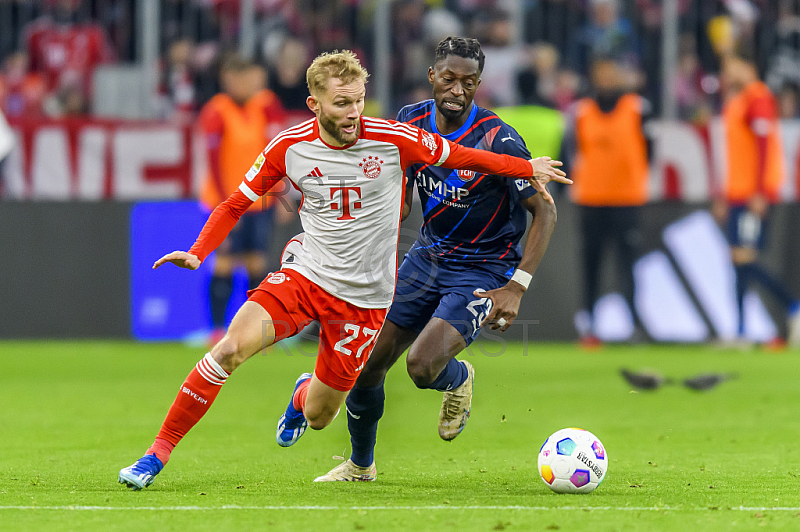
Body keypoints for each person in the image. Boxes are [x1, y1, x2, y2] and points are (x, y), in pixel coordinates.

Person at [118, 49, 570, 490]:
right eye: (342, 103)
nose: (354, 112)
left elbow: (463, 157)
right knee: (230, 349)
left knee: (321, 416)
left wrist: (526, 166)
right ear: (315, 104)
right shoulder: (288, 147)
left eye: (358, 100)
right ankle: (155, 454)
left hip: (366, 300)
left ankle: (303, 396)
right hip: (306, 275)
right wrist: (198, 252)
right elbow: (236, 202)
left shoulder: (394, 138)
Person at [315, 37, 560, 482]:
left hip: (484, 268)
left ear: (479, 84)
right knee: (367, 363)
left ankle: (457, 378)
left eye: (469, 82)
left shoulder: (497, 137)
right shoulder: (410, 122)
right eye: (449, 78)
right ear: (433, 76)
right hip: (429, 257)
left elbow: (545, 209)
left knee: (421, 367)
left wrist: (517, 285)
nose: (457, 89)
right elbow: (398, 193)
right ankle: (360, 465)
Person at [197, 55, 288, 345]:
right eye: (241, 78)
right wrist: (227, 207)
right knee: (223, 262)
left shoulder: (267, 105)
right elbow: (213, 162)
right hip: (227, 202)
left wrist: (283, 188)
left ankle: (255, 333)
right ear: (228, 80)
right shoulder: (217, 111)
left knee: (256, 263)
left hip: (262, 201)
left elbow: (279, 148)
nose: (248, 84)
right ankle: (216, 330)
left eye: (251, 78)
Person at [564, 56, 652, 348]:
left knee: (627, 264)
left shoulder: (637, 108)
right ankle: (589, 325)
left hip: (626, 197)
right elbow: (573, 151)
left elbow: (650, 148)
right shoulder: (582, 111)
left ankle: (635, 326)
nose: (606, 78)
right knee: (591, 263)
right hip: (591, 197)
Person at [714, 50, 800, 346]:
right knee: (737, 261)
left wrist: (760, 191)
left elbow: (764, 145)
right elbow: (734, 154)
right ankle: (739, 331)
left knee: (744, 257)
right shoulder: (736, 100)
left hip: (754, 194)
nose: (727, 72)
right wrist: (725, 194)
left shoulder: (757, 97)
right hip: (738, 193)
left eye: (731, 64)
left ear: (748, 65)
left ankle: (793, 306)